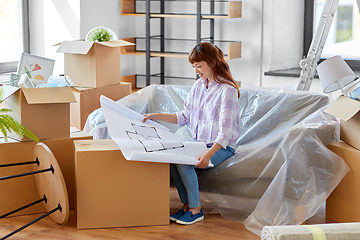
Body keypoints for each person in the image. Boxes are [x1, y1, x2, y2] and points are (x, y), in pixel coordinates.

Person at [142, 42, 240, 225]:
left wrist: (208, 154)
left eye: (199, 66)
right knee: (173, 159)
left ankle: (196, 210)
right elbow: (185, 116)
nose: (196, 70)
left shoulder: (228, 90)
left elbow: (225, 133)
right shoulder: (198, 86)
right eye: (194, 66)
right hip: (200, 143)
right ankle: (186, 205)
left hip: (222, 147)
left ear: (212, 63)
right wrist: (157, 116)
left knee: (185, 163)